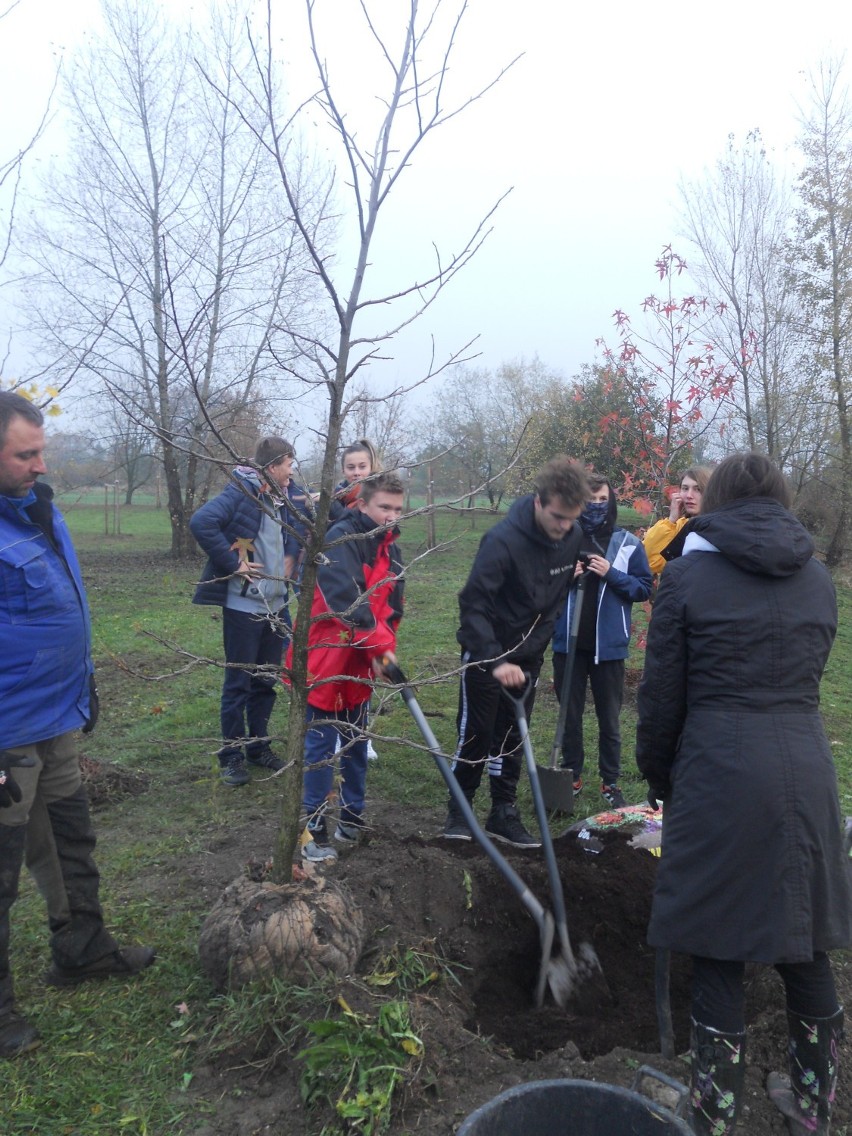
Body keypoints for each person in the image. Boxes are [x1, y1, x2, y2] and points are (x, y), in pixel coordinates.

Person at [635, 451, 852, 1135]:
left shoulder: (689, 576)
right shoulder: (820, 582)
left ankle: (713, 1116)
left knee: (718, 944)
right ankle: (815, 1108)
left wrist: (663, 779)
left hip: (720, 766)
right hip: (806, 767)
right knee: (806, 938)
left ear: (719, 500)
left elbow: (661, 698)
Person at [0, 391, 155, 1060]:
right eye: (24, 454)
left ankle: (82, 950)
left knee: (68, 838)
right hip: (6, 731)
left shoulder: (37, 510)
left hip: (54, 715)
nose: (39, 465)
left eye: (42, 451)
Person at [444, 456, 589, 847]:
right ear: (540, 502)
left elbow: (555, 603)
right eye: (558, 516)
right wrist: (496, 658)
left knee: (512, 735)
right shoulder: (502, 541)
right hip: (487, 652)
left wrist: (530, 653)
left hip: (528, 655)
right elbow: (473, 604)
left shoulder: (572, 537)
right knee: (476, 731)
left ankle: (502, 812)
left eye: (571, 519)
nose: (564, 526)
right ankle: (460, 810)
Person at [293, 471, 405, 863]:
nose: (391, 516)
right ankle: (313, 830)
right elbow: (347, 602)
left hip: (361, 660)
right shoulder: (338, 541)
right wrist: (379, 651)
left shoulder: (391, 550)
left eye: (397, 509)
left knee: (357, 742)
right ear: (361, 504)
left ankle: (353, 817)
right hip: (326, 657)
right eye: (383, 507)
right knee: (321, 749)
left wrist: (384, 652)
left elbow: (392, 608)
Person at [190, 437, 311, 786]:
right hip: (244, 608)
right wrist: (232, 563)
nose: (292, 471)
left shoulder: (285, 495)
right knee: (239, 682)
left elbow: (311, 520)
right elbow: (202, 523)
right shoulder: (240, 493)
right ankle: (232, 755)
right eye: (289, 464)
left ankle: (258, 747)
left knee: (265, 681)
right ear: (272, 467)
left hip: (277, 605)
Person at [552, 474, 652, 808]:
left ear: (610, 502)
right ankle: (571, 775)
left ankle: (610, 782)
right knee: (570, 714)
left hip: (608, 648)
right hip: (568, 645)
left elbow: (643, 588)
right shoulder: (562, 539)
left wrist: (611, 572)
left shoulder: (627, 543)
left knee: (609, 718)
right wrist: (568, 577)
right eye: (589, 500)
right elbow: (539, 585)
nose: (595, 506)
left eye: (601, 501)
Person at [327, 439, 384, 760]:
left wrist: (332, 509)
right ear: (343, 469)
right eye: (351, 467)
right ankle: (338, 733)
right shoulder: (337, 497)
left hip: (370, 590)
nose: (356, 472)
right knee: (338, 662)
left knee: (366, 664)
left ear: (371, 466)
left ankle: (362, 734)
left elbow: (365, 530)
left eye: (362, 466)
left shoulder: (378, 498)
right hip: (340, 594)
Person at [642, 465, 711, 575]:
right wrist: (671, 520)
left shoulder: (718, 526)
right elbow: (649, 561)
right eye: (685, 488)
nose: (689, 495)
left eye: (697, 489)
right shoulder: (679, 526)